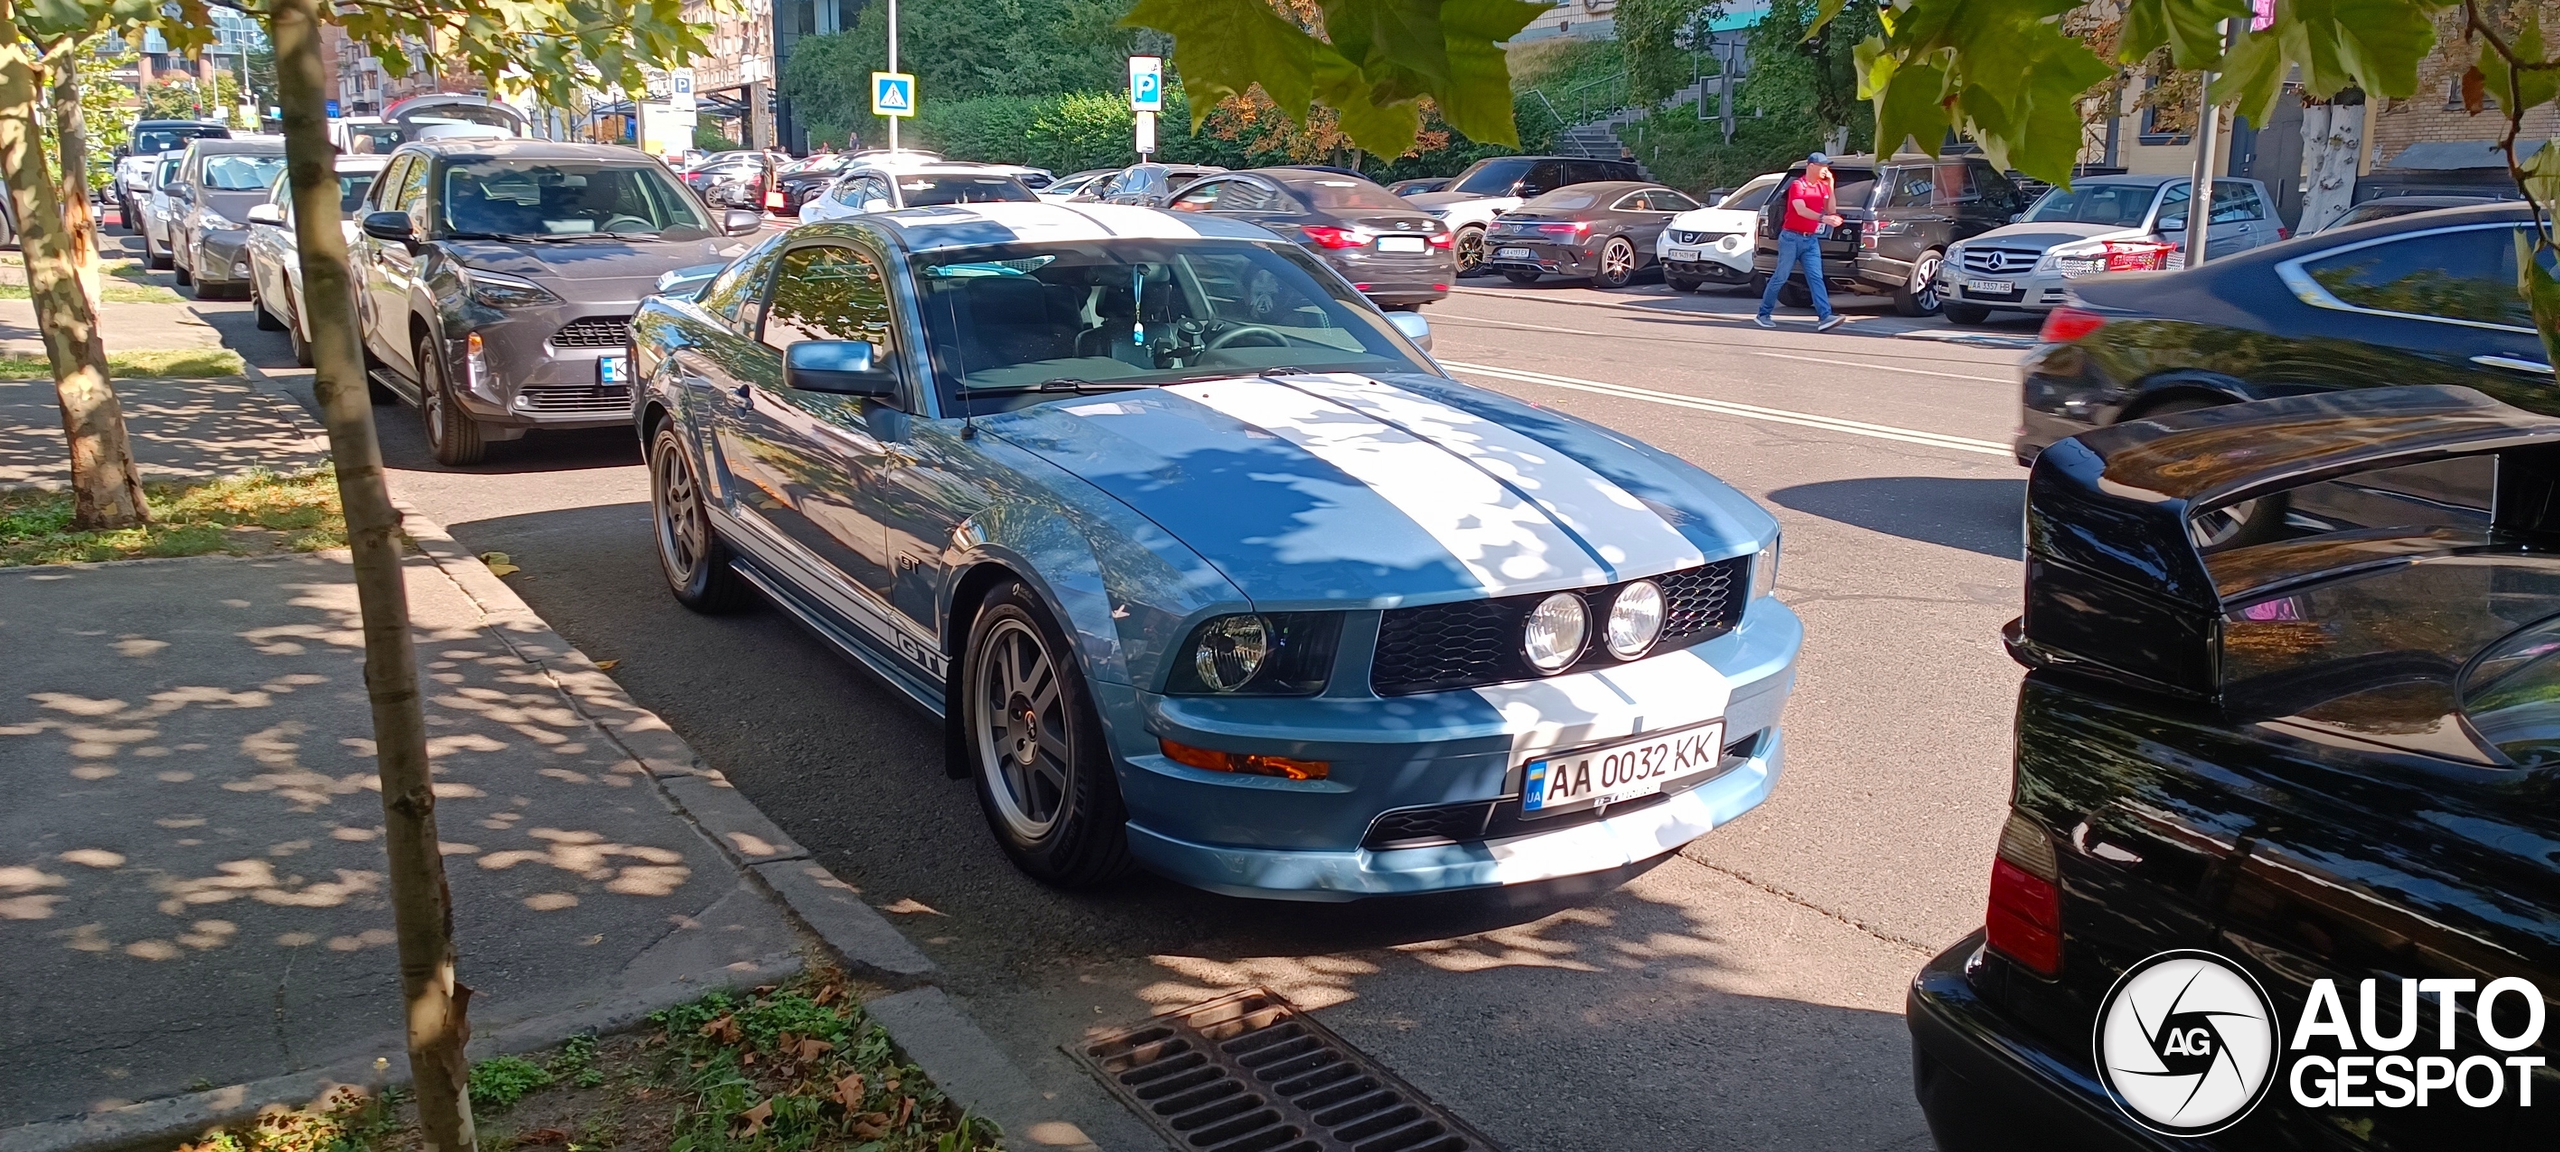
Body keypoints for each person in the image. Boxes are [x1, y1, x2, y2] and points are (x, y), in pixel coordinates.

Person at [1757, 151, 1847, 332]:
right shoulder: (1799, 185)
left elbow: (1831, 209)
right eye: (1823, 166)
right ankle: (1763, 314)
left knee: (1816, 277)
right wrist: (1824, 219)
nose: (1826, 170)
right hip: (1791, 237)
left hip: (1810, 239)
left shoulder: (1822, 187)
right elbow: (1801, 210)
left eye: (1827, 166)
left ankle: (1825, 316)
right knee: (1781, 276)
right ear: (1811, 166)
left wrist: (1830, 185)